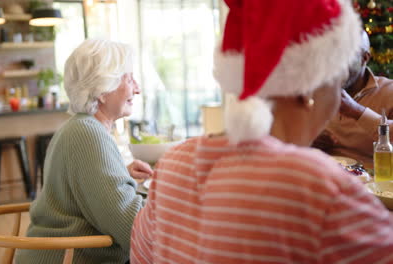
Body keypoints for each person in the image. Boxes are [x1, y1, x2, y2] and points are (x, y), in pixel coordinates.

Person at [130, 0, 393, 263]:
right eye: (337, 88)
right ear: (308, 91)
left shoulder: (172, 165)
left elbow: (141, 254)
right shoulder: (318, 186)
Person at [15, 39, 153, 264]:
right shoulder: (88, 135)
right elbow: (134, 229)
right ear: (102, 89)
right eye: (129, 78)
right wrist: (170, 193)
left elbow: (78, 193)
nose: (137, 88)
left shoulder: (78, 127)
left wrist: (120, 173)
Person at [313, 30, 393, 169]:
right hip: (323, 174)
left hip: (372, 182)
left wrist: (357, 111)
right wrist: (309, 140)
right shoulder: (314, 90)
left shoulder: (389, 91)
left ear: (365, 58)